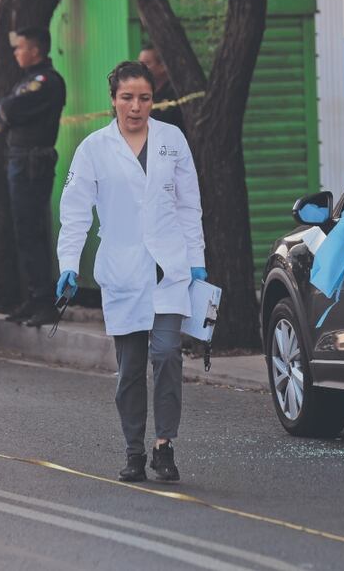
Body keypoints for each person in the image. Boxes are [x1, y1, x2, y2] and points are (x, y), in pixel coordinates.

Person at [57, 61, 207, 483]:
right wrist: (69, 264)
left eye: (144, 98)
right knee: (130, 368)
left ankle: (165, 445)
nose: (136, 107)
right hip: (122, 270)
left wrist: (197, 257)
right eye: (127, 98)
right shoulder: (93, 149)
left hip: (169, 268)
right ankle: (134, 450)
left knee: (166, 354)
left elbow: (188, 204)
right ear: (113, 100)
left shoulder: (172, 140)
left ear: (153, 100)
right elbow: (74, 213)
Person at [0, 27, 67, 326]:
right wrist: (3, 112)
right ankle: (34, 297)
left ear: (35, 50)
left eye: (20, 47)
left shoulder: (45, 81)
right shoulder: (26, 80)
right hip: (21, 160)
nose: (16, 52)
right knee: (23, 232)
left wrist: (4, 112)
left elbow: (8, 110)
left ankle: (44, 303)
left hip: (32, 161)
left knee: (32, 231)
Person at [138, 44, 184, 133]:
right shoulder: (140, 94)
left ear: (163, 66)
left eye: (146, 63)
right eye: (140, 63)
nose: (140, 68)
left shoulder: (177, 94)